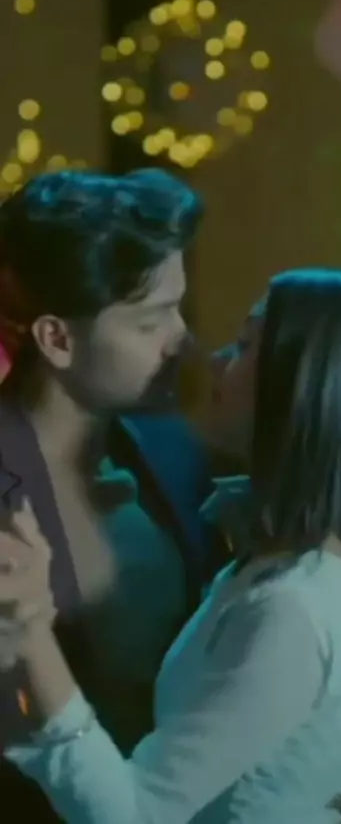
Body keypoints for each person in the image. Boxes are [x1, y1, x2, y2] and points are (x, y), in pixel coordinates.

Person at [0, 269, 341, 823]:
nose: (189, 343)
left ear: (307, 391)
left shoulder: (189, 462)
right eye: (150, 316)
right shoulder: (258, 517)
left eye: (244, 345)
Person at [0, 168, 225, 819]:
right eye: (151, 321)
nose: (181, 338)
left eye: (178, 308)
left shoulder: (174, 451)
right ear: (57, 338)